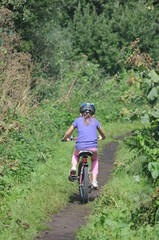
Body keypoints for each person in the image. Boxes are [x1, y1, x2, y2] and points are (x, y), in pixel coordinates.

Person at [62, 103, 106, 189]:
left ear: (80, 113)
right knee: (94, 159)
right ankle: (94, 181)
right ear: (93, 114)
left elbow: (68, 133)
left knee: (75, 154)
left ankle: (74, 167)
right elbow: (103, 133)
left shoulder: (77, 120)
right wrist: (102, 137)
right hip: (93, 148)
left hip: (80, 147)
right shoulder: (95, 121)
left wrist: (65, 138)